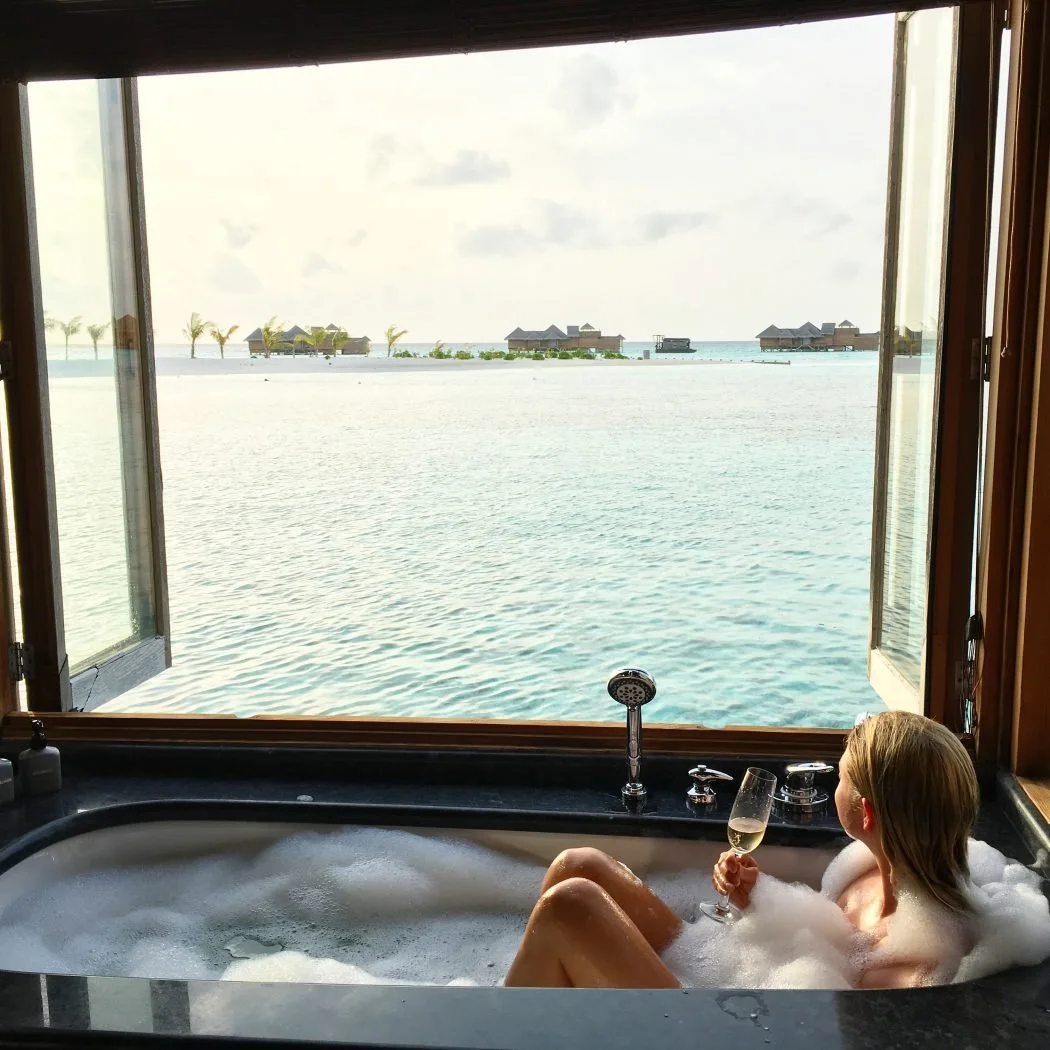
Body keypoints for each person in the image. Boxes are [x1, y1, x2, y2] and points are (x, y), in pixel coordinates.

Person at [503, 711, 980, 988]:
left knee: (571, 905)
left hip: (715, 1033)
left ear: (867, 814)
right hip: (729, 989)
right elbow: (815, 945)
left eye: (841, 775)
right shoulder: (868, 872)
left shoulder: (913, 967)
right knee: (578, 865)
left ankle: (497, 1033)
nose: (834, 782)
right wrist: (757, 898)